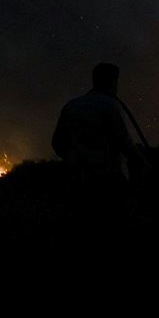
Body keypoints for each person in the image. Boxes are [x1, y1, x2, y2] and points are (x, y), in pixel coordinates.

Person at [51, 62, 147, 230]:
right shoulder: (111, 105)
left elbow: (57, 143)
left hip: (77, 179)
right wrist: (144, 163)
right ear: (113, 81)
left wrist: (74, 159)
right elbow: (123, 141)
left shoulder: (72, 105)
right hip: (108, 180)